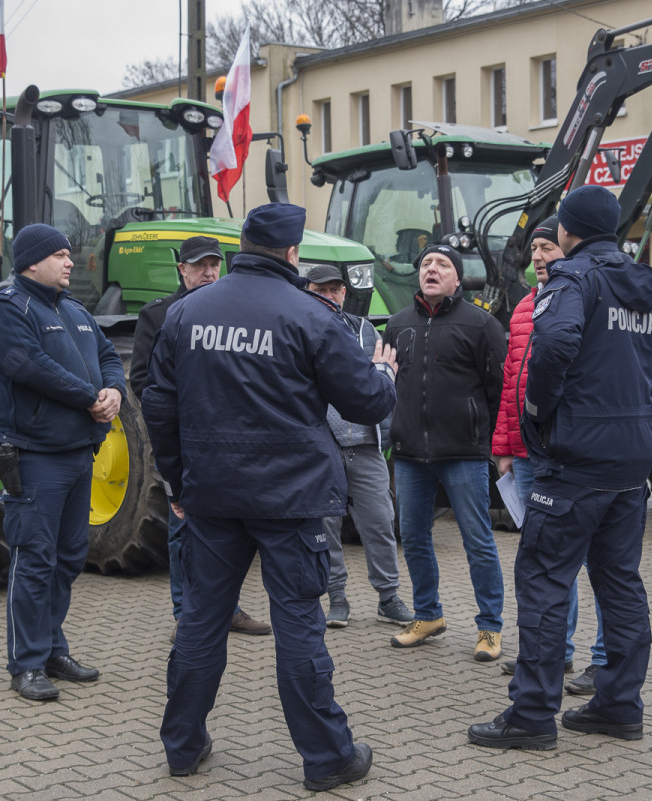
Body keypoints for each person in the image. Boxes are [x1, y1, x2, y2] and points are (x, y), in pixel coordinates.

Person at [141, 203, 397, 791]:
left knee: (202, 622)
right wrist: (384, 373)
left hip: (211, 498)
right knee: (299, 626)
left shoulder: (187, 314)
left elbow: (158, 404)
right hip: (291, 501)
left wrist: (179, 480)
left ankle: (182, 746)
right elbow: (368, 403)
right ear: (290, 254)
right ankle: (329, 757)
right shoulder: (310, 314)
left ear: (242, 247)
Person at [468, 184, 652, 750]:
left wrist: (536, 412)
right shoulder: (638, 288)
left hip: (575, 460)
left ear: (568, 232)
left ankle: (531, 716)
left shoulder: (573, 279)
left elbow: (552, 345)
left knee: (545, 581)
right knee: (620, 582)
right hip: (631, 459)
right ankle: (618, 705)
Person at [0, 223, 127, 702]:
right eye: (60, 255)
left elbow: (109, 356)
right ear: (31, 262)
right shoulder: (8, 310)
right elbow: (29, 367)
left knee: (67, 559)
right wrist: (90, 398)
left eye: (68, 254)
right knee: (35, 559)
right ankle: (25, 664)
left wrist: (113, 391)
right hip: (35, 456)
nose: (69, 262)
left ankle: (51, 649)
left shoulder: (76, 310)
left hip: (78, 453)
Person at [129, 235, 271, 642]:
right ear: (182, 271)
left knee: (231, 527)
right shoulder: (158, 315)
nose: (209, 273)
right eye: (200, 266)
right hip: (185, 441)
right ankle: (186, 613)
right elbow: (143, 379)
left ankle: (227, 607)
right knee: (183, 529)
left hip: (231, 440)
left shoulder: (235, 310)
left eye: (215, 265)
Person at [493, 216, 607, 692]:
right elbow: (511, 380)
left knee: (587, 559)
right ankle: (553, 651)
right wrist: (503, 447)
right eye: (534, 249)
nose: (539, 257)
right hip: (523, 453)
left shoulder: (579, 299)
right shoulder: (523, 306)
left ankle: (603, 656)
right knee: (541, 558)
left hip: (561, 451)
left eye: (548, 248)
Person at [382, 243, 507, 661]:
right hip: (411, 454)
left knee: (478, 540)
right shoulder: (397, 325)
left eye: (442, 264)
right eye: (425, 264)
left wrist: (484, 437)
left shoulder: (481, 324)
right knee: (413, 537)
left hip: (464, 453)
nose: (431, 269)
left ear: (457, 278)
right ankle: (428, 615)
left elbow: (497, 391)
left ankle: (490, 627)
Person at [303, 264, 411, 629]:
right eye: (322, 289)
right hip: (324, 449)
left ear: (345, 293)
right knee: (327, 526)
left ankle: (388, 597)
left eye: (336, 289)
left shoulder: (365, 330)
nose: (330, 296)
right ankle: (336, 599)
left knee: (380, 522)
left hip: (366, 445)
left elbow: (379, 382)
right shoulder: (300, 328)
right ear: (308, 290)